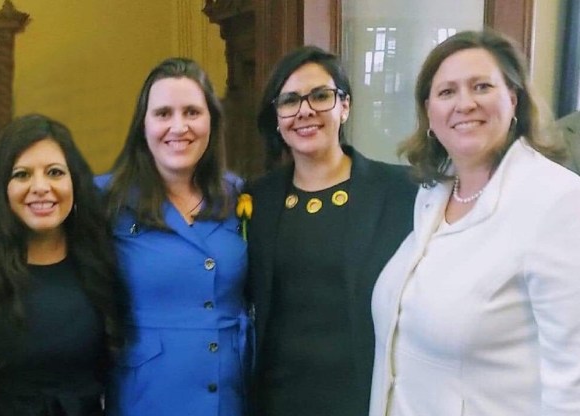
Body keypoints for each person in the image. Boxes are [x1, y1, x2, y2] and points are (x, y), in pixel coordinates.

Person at [0, 58, 249, 416]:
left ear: (212, 121)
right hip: (147, 396)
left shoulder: (240, 198)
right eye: (163, 113)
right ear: (143, 125)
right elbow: (47, 198)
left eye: (191, 112)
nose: (178, 126)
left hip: (229, 394)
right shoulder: (107, 198)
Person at [369, 30, 580, 415]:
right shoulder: (434, 192)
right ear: (429, 112)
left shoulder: (559, 202)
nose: (465, 103)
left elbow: (573, 382)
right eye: (447, 92)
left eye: (481, 86)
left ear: (513, 99)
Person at [244, 46, 417, 416]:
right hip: (277, 399)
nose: (305, 110)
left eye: (320, 96)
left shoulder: (400, 192)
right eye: (289, 100)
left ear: (345, 106)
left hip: (366, 396)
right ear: (277, 117)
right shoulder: (255, 200)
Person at [0, 114, 124, 416]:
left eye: (55, 172)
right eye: (22, 175)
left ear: (75, 181)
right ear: (1, 186)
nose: (40, 187)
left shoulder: (102, 254)